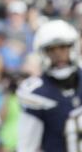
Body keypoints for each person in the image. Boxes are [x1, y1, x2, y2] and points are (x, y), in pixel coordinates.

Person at [17, 19, 82, 152]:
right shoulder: (37, 92)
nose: (58, 54)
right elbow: (26, 146)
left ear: (72, 47)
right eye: (51, 49)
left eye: (63, 47)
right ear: (43, 53)